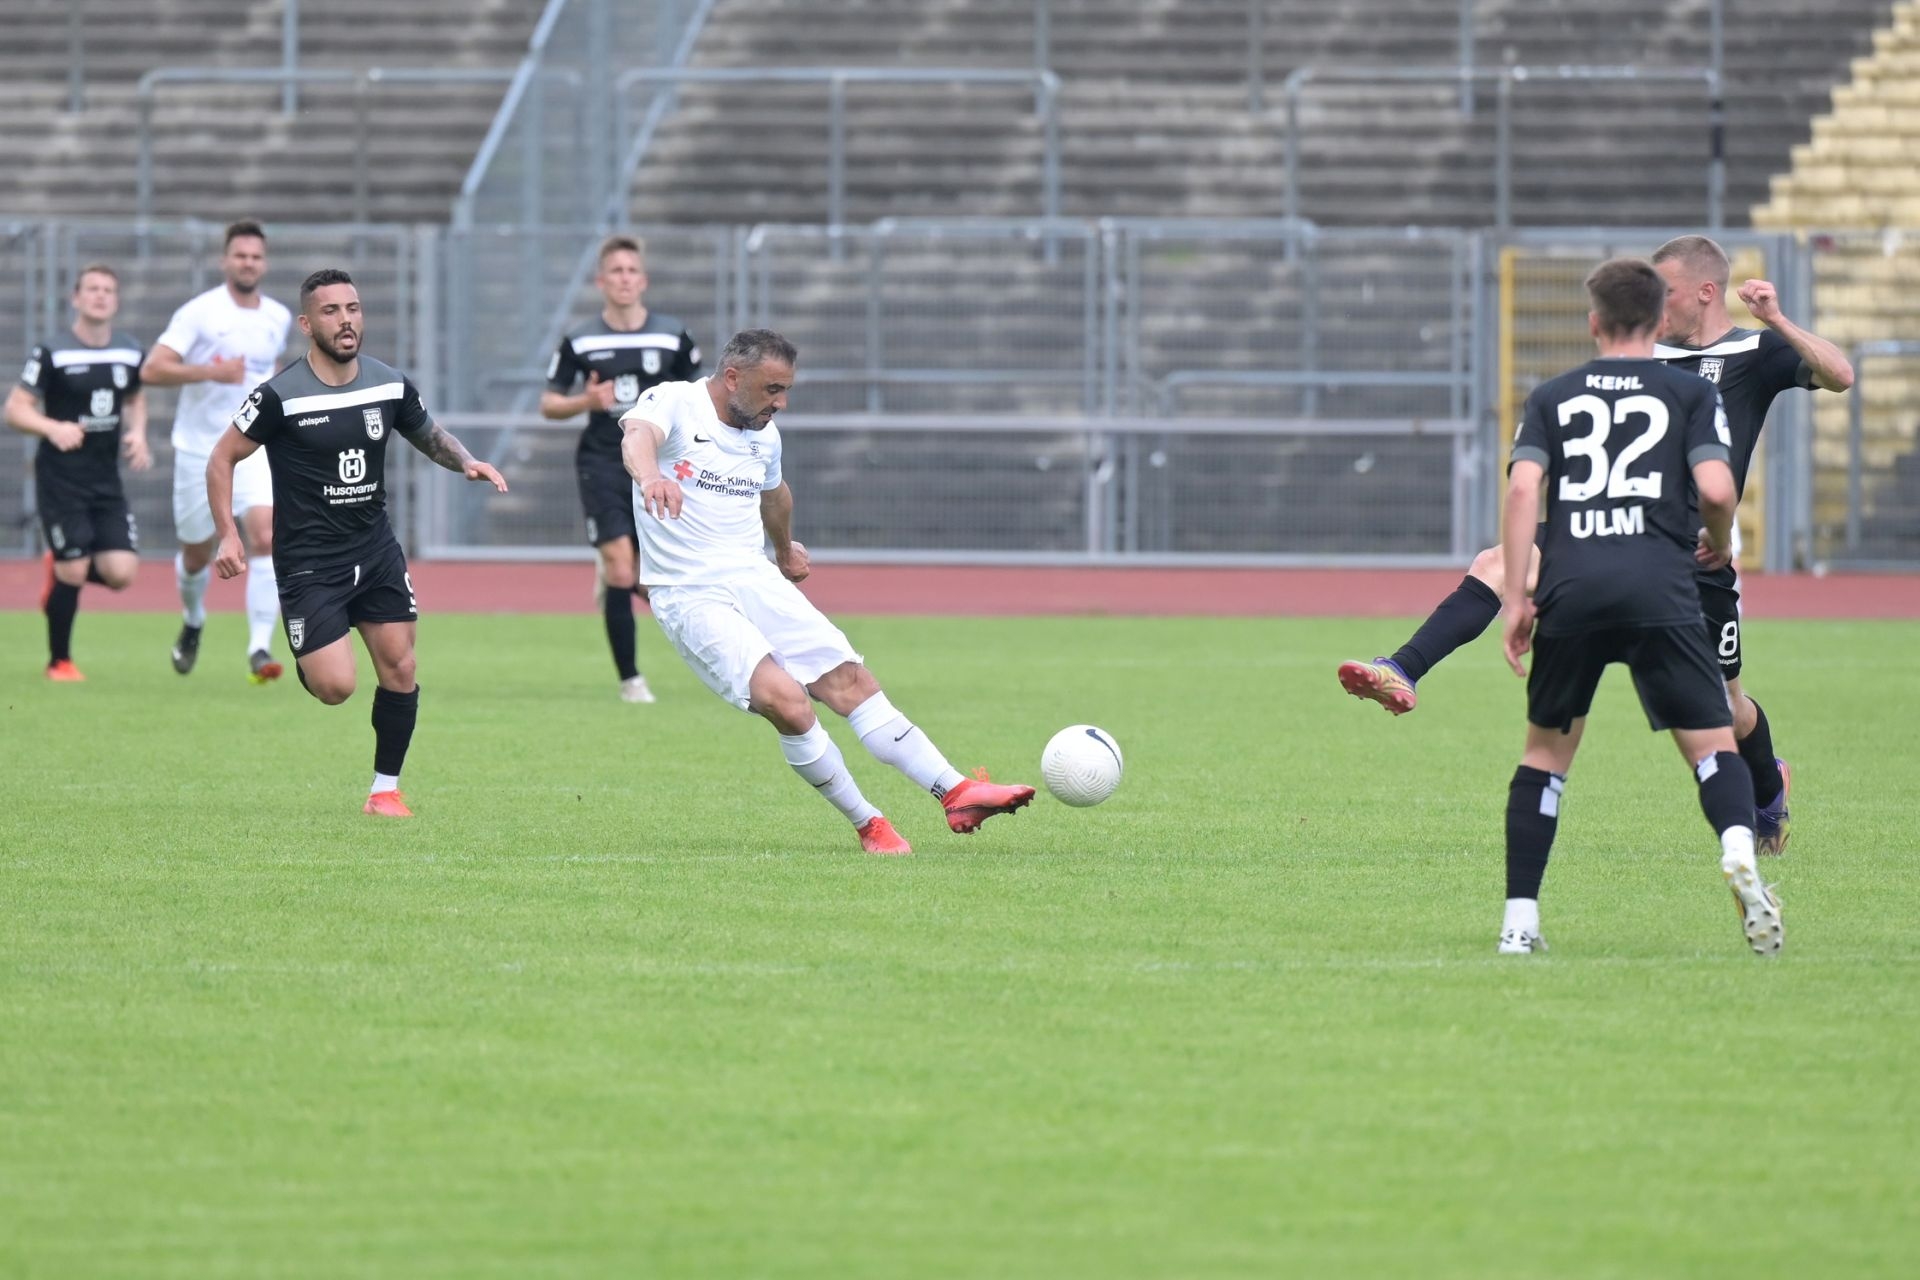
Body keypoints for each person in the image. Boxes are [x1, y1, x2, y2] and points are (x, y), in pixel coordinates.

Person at [1338, 234, 1853, 856]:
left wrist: (1777, 319)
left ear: (1705, 292)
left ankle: (1768, 790)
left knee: (1727, 705)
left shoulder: (1756, 351)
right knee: (1496, 563)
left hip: (1692, 555)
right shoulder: (1642, 356)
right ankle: (1401, 668)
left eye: (1666, 292)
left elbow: (1840, 375)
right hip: (1604, 531)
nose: (1655, 304)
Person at [618, 328, 1035, 855]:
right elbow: (636, 438)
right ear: (733, 377)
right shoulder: (675, 400)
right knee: (787, 702)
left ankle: (956, 791)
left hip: (754, 576)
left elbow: (775, 495)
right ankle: (869, 824)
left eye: (786, 390)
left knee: (849, 679)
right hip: (689, 591)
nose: (781, 402)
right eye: (772, 389)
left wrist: (784, 549)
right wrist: (651, 477)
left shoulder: (764, 435)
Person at [1498, 256, 1780, 957]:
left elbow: (1523, 491)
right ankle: (1739, 847)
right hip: (1662, 586)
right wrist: (1719, 541)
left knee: (1545, 756)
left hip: (1574, 586)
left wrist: (1515, 599)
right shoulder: (1689, 391)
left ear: (1594, 322)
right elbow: (1717, 490)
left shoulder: (1552, 396)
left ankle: (1519, 923)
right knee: (1711, 748)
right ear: (1658, 322)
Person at [206, 269, 508, 817]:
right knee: (335, 687)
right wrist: (228, 533)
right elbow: (221, 458)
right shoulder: (278, 396)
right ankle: (309, 652)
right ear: (306, 324)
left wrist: (467, 461)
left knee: (401, 667)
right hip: (309, 563)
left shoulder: (388, 383)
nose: (345, 320)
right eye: (331, 311)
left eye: (353, 308)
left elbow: (429, 435)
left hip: (374, 551)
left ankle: (384, 791)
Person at [540, 234, 701, 703]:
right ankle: (631, 681)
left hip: (658, 466)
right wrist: (585, 401)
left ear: (643, 280)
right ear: (601, 281)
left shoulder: (672, 336)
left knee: (651, 578)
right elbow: (549, 404)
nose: (625, 278)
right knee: (619, 565)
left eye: (632, 270)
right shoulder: (581, 339)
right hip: (602, 463)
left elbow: (698, 400)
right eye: (616, 271)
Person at [142, 219, 294, 683]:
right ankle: (193, 620)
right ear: (225, 260)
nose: (248, 263)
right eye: (240, 255)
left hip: (252, 447)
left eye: (256, 256)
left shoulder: (278, 316)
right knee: (196, 554)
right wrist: (210, 372)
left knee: (264, 535)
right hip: (200, 451)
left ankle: (259, 648)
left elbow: (269, 372)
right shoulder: (199, 313)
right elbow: (152, 369)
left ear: (265, 263)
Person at [5, 263, 150, 680]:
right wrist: (53, 428)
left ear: (116, 300)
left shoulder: (128, 351)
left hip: (106, 480)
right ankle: (60, 662)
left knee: (121, 573)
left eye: (108, 289)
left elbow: (135, 396)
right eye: (92, 289)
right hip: (60, 478)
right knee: (73, 568)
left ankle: (60, 569)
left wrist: (138, 433)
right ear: (76, 298)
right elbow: (15, 408)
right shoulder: (52, 352)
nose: (100, 295)